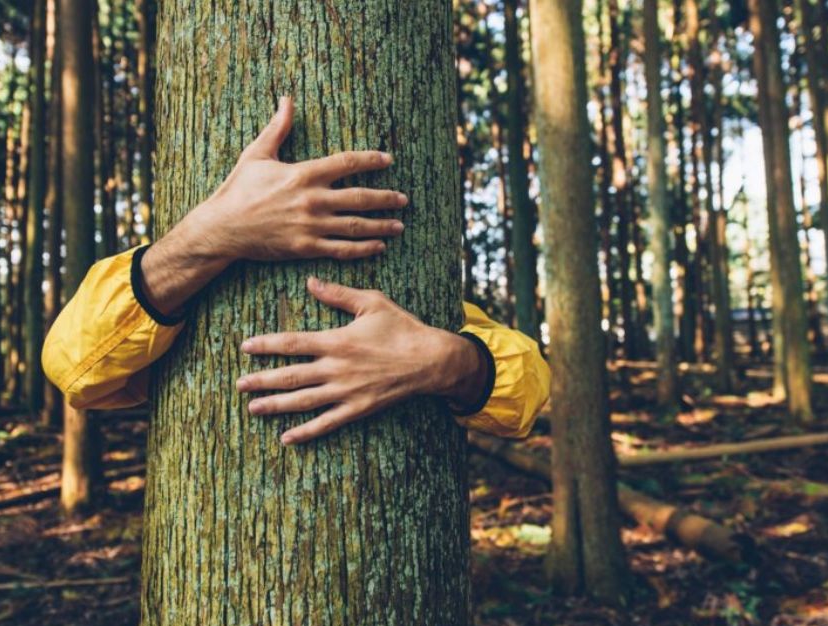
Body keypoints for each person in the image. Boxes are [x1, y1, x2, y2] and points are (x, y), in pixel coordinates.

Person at [42, 97, 549, 445]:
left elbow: (528, 390)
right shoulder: (179, 287)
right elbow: (72, 367)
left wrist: (444, 360)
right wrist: (209, 236)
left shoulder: (418, 304)